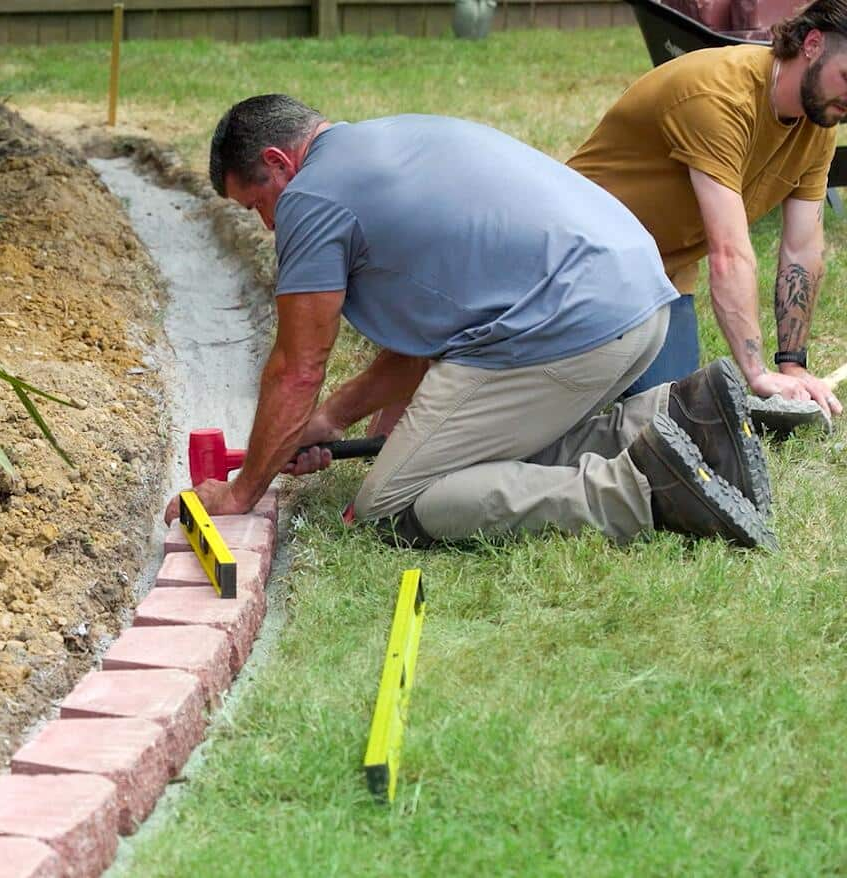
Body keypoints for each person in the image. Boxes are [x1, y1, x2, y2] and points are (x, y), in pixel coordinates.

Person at [165, 95, 777, 549]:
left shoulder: (312, 197)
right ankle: (676, 419)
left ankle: (641, 494)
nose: (270, 226)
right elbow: (420, 346)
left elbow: (298, 368)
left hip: (566, 331)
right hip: (638, 302)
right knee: (483, 452)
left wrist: (243, 491)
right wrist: (327, 422)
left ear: (279, 163)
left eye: (258, 204)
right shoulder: (397, 138)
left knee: (395, 505)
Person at [568, 0, 847, 424]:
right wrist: (756, 373)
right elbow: (729, 252)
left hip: (661, 279)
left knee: (674, 418)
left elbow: (802, 249)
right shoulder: (720, 94)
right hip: (577, 261)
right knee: (572, 404)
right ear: (812, 44)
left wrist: (792, 365)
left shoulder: (818, 121)